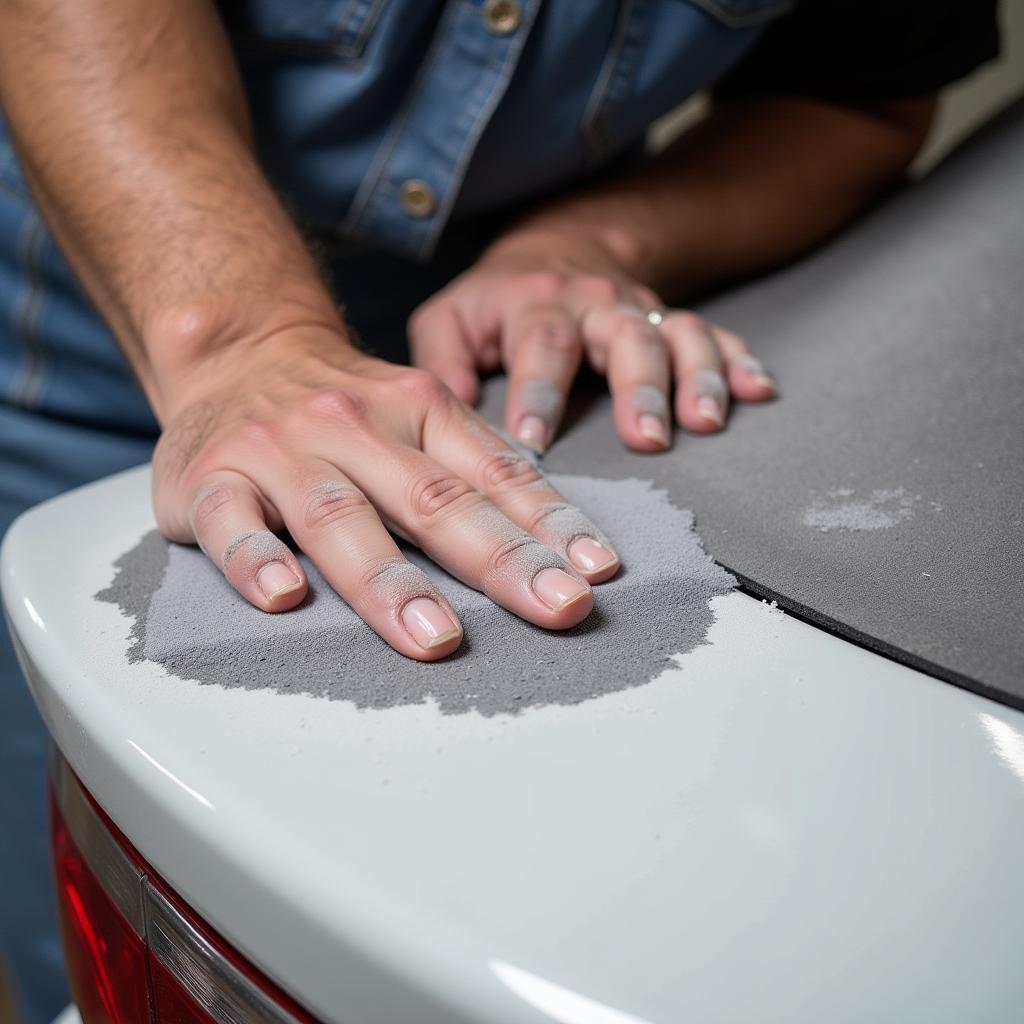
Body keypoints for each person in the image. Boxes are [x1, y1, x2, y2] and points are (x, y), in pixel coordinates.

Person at [0, 0, 999, 1019]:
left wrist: (591, 241)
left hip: (514, 348)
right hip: (116, 321)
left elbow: (861, 92)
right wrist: (238, 343)